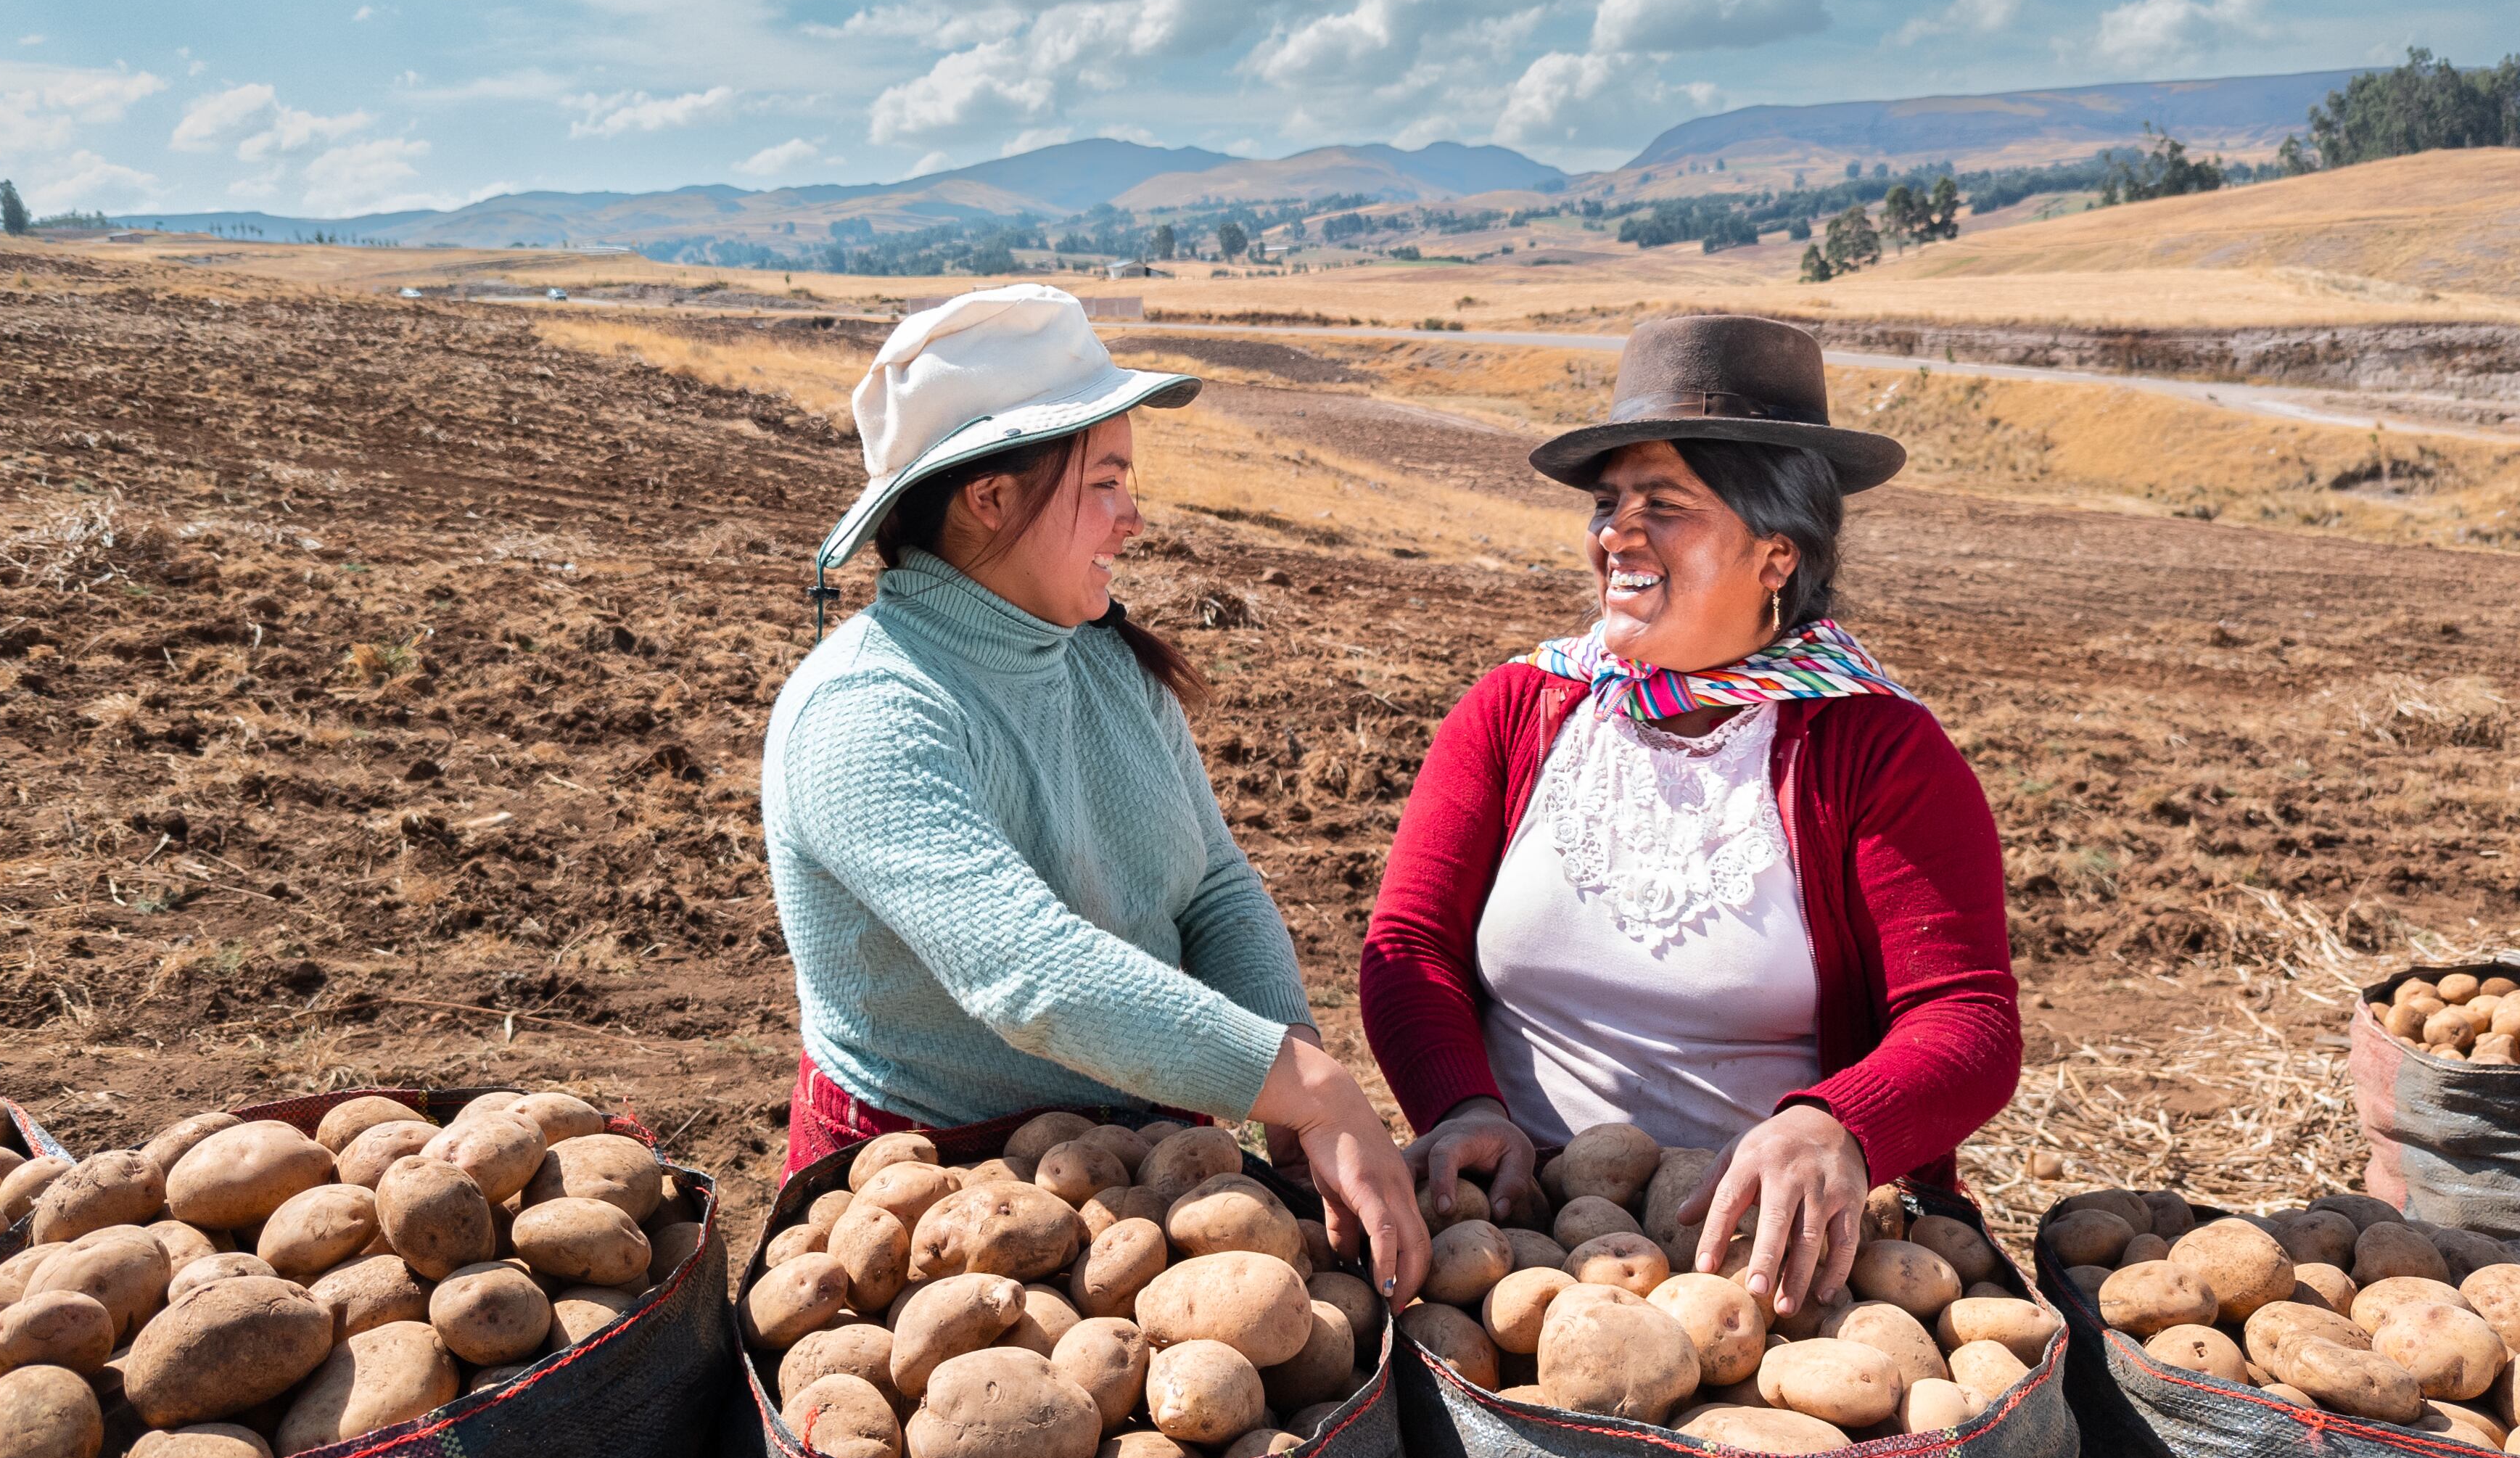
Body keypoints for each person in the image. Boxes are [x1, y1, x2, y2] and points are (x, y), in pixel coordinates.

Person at [765, 283, 1428, 1301]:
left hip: (1152, 1163)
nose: (1135, 516)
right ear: (988, 498)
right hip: (934, 1205)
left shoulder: (1102, 664)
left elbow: (1210, 887)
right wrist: (1309, 1089)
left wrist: (1290, 1074)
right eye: (1107, 481)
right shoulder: (866, 709)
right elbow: (1032, 972)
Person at [1359, 313, 2018, 1319]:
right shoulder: (1519, 709)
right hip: (1515, 1242)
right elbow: (1410, 946)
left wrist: (1832, 1125)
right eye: (1607, 503)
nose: (1615, 534)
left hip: (1775, 1259)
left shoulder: (1877, 751)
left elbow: (1965, 1020)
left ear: (1774, 555)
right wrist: (1461, 1104)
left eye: (1661, 506)